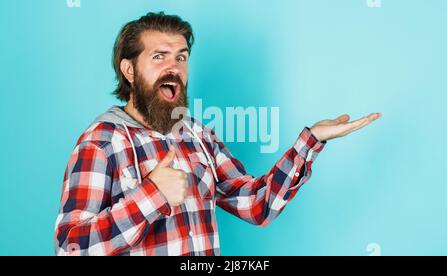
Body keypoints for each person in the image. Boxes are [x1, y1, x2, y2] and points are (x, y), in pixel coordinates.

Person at [54, 12, 381, 256]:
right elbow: (71, 247)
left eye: (181, 57)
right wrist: (153, 195)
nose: (174, 68)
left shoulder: (198, 136)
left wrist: (311, 140)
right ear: (129, 70)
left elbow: (256, 205)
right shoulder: (101, 143)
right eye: (159, 57)